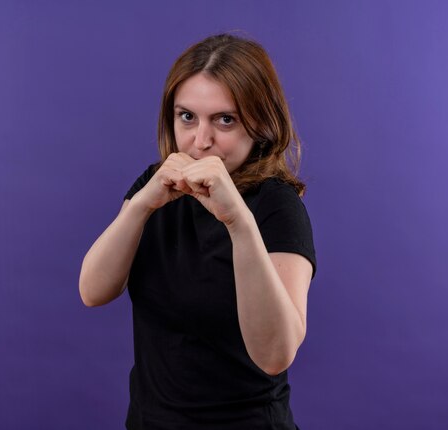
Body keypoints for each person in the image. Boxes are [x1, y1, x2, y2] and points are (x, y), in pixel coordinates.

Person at [79, 33, 316, 430]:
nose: (201, 141)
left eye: (225, 119)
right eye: (187, 117)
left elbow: (276, 353)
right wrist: (141, 205)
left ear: (260, 123)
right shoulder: (154, 186)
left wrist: (238, 222)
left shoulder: (277, 206)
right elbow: (93, 291)